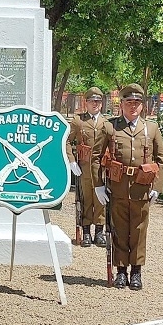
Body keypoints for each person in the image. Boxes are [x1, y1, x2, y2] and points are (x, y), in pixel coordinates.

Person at [96, 84, 163, 290]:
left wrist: (157, 186)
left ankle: (136, 271)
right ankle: (120, 272)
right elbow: (95, 158)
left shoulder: (151, 128)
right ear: (122, 105)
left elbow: (161, 159)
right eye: (129, 103)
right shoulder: (110, 127)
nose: (133, 107)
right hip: (117, 188)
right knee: (118, 229)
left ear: (142, 106)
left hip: (141, 188)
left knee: (138, 230)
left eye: (137, 103)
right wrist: (99, 185)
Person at [66, 87, 112, 248]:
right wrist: (71, 160)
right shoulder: (79, 121)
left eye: (98, 101)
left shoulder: (107, 123)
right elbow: (67, 141)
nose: (95, 104)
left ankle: (99, 231)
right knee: (85, 198)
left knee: (101, 199)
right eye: (92, 101)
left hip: (101, 168)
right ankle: (86, 231)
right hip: (84, 166)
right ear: (86, 103)